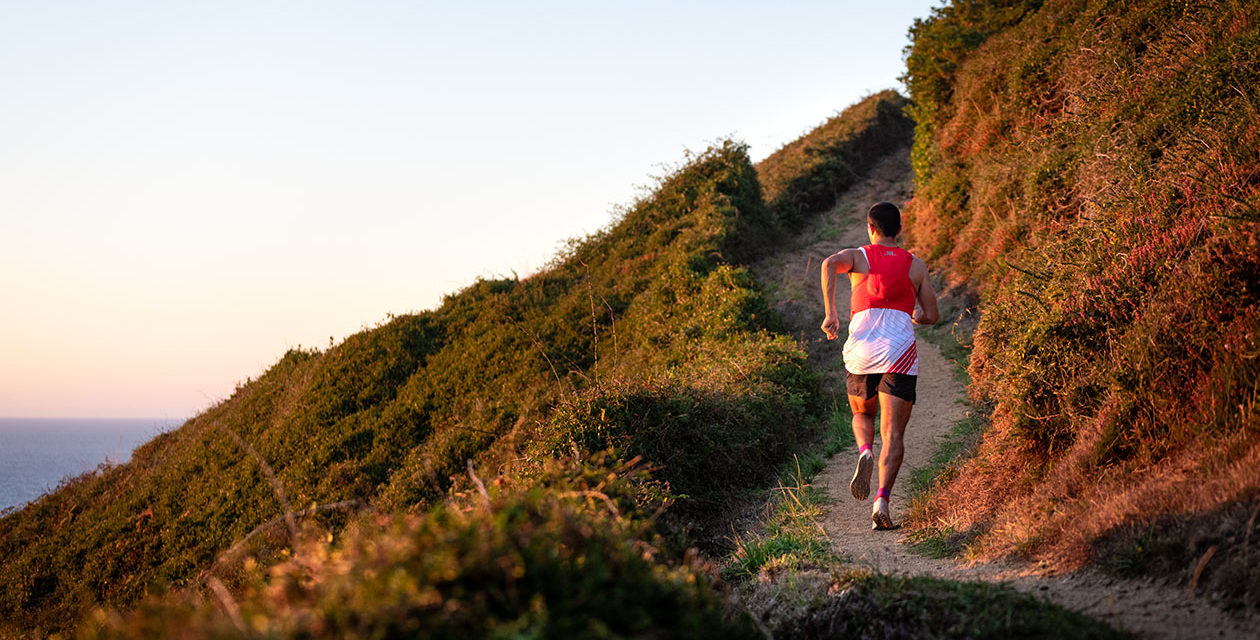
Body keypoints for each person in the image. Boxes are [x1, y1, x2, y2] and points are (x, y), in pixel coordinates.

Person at [820, 202, 939, 530]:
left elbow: (829, 263)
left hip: (861, 350)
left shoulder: (859, 256)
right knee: (894, 433)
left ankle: (864, 451)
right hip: (898, 351)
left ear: (870, 228)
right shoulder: (915, 265)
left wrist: (831, 314)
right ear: (898, 231)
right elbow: (931, 315)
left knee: (862, 414)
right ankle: (882, 501)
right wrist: (914, 314)